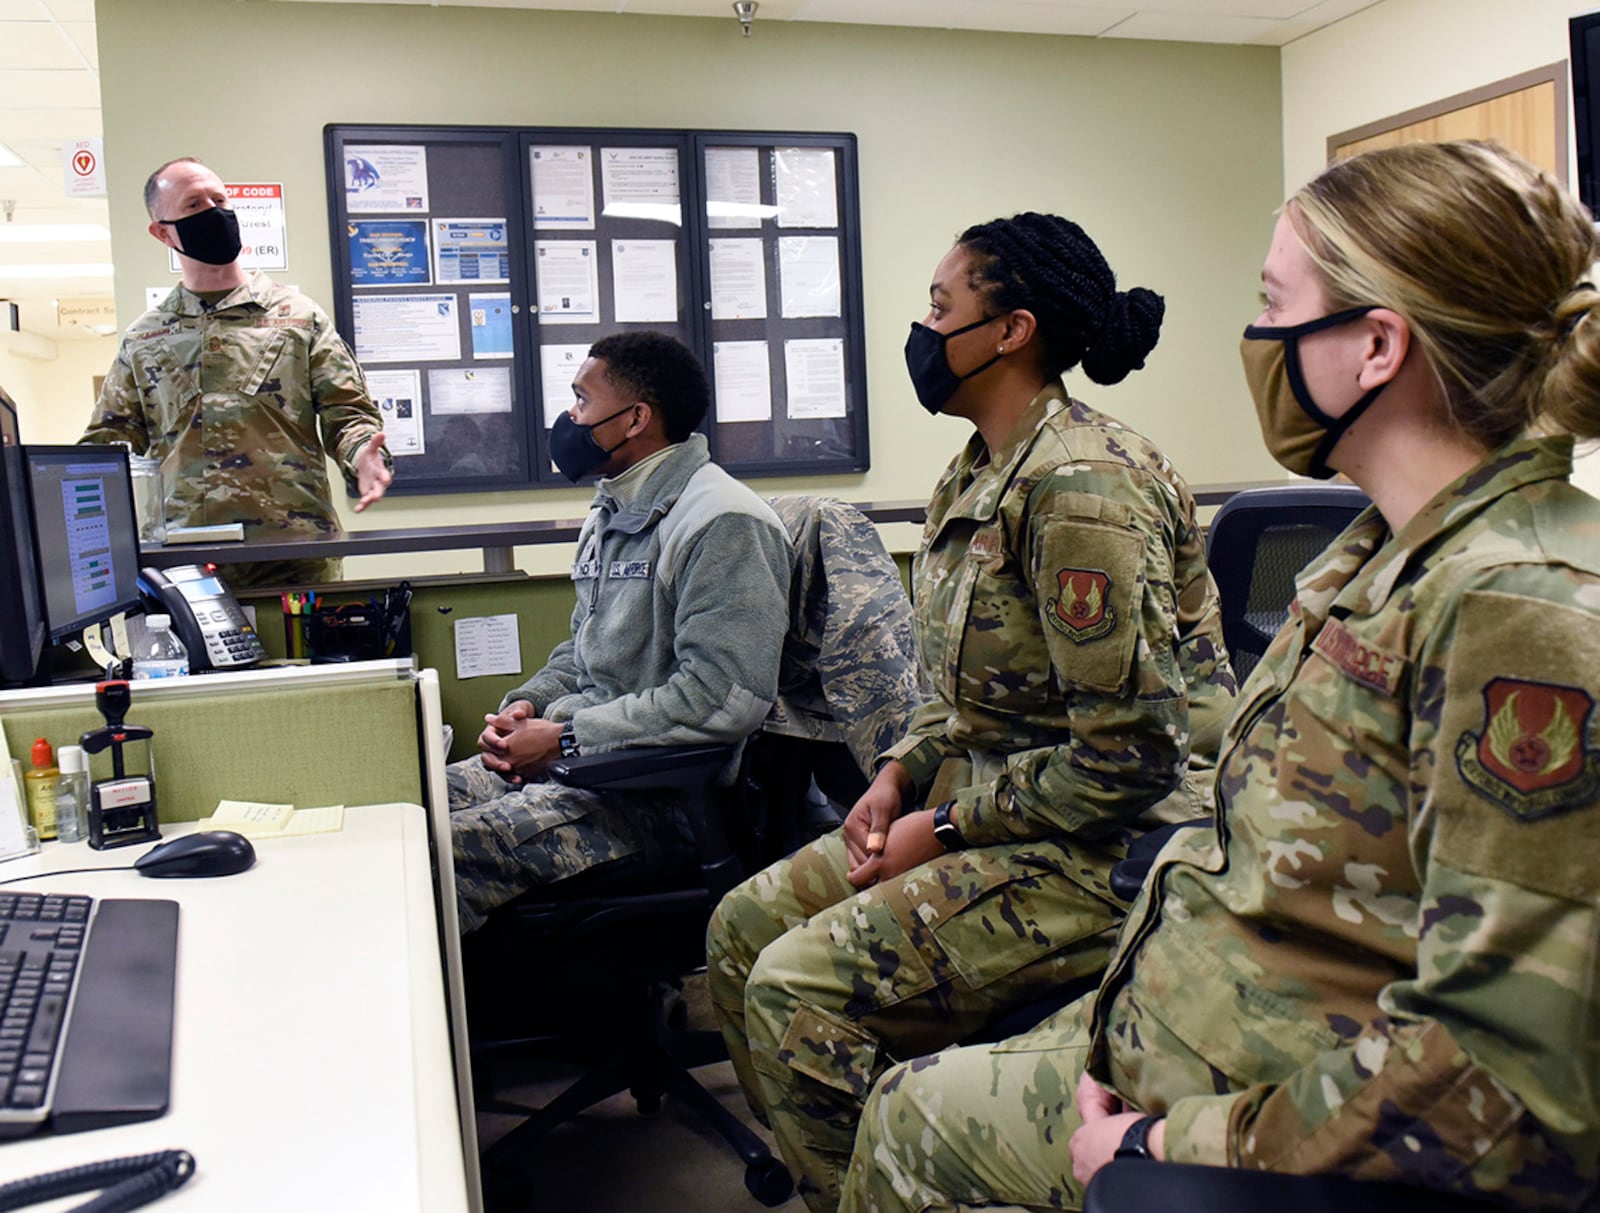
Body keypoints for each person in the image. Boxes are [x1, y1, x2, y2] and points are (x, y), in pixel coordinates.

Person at [841, 140, 1600, 1213]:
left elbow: (1504, 1071)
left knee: (907, 1122)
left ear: (1374, 346)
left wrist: (1169, 1142)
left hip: (1264, 1100)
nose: (1257, 340)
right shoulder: (1380, 550)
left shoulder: (1516, 610)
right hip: (1202, 1019)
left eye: (1273, 303)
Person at [705, 212, 1237, 1212]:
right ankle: (866, 1179)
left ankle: (909, 1164)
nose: (922, 327)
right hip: (991, 804)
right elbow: (955, 689)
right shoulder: (980, 467)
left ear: (1009, 331)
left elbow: (1130, 759)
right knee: (740, 929)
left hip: (1109, 844)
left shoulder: (1081, 486)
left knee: (791, 989)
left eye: (940, 307)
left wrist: (941, 826)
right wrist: (898, 776)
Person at [449, 330, 791, 934]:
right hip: (584, 767)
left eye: (582, 400)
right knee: (407, 809)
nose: (570, 417)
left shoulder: (721, 521)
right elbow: (584, 650)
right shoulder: (614, 510)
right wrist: (529, 706)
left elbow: (722, 699)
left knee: (432, 855)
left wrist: (567, 738)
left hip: (655, 799)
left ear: (635, 419)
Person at [81, 157, 392, 588]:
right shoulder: (145, 338)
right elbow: (109, 444)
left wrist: (364, 455)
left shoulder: (299, 318)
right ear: (163, 231)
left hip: (295, 554)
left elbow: (347, 413)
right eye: (194, 205)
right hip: (185, 562)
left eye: (219, 199)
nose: (214, 211)